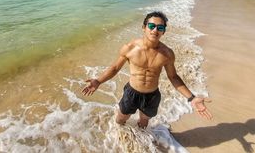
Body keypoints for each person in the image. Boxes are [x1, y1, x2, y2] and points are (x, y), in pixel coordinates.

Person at [82, 11, 212, 128]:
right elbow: (115, 68)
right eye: (151, 26)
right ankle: (120, 137)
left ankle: (142, 140)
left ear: (163, 31)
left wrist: (192, 98)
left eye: (160, 27)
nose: (155, 30)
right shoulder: (130, 48)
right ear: (144, 28)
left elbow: (173, 77)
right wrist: (98, 81)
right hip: (131, 93)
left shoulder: (167, 54)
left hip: (152, 96)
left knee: (144, 122)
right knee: (121, 119)